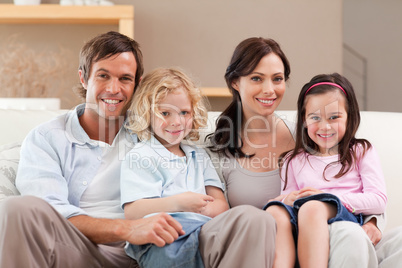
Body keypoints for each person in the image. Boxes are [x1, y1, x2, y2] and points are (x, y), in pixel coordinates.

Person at [0, 31, 278, 268]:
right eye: (103, 76)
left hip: (167, 241)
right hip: (83, 249)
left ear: (137, 85)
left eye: (125, 79)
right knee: (17, 209)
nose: (113, 88)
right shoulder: (47, 138)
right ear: (84, 78)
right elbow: (52, 214)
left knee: (253, 219)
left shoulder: (154, 130)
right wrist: (130, 229)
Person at [205, 37, 385, 267]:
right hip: (260, 249)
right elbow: (222, 220)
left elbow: (370, 193)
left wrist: (373, 222)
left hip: (331, 230)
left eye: (277, 79)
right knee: (276, 211)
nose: (269, 89)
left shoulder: (310, 134)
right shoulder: (217, 149)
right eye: (256, 78)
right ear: (235, 82)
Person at [264, 73, 387, 267]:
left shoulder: (360, 151)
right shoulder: (292, 159)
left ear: (349, 116)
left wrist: (328, 197)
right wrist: (285, 199)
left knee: (312, 207)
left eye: (334, 117)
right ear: (304, 120)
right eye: (315, 118)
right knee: (274, 210)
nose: (325, 126)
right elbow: (288, 196)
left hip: (344, 216)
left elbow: (379, 200)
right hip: (303, 221)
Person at [120, 67, 229, 267]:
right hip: (159, 235)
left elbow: (221, 206)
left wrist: (198, 211)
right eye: (165, 113)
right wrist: (180, 204)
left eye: (184, 112)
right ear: (147, 114)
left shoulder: (199, 156)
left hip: (200, 229)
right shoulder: (141, 155)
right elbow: (134, 212)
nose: (176, 121)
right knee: (170, 249)